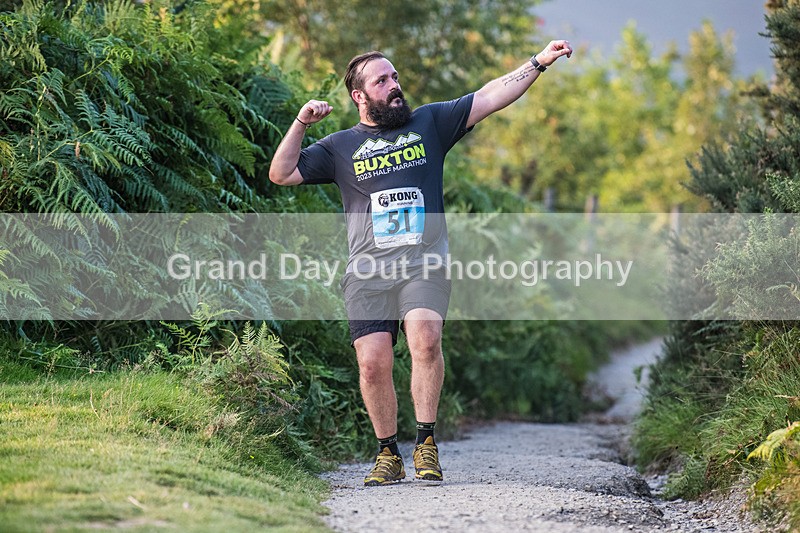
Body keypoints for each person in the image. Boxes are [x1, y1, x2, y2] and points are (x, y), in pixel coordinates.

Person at [269, 41, 573, 486]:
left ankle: (426, 443)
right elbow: (281, 173)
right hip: (368, 272)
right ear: (360, 96)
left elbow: (490, 95)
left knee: (426, 340)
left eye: (395, 77)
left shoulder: (429, 122)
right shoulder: (339, 147)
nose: (395, 87)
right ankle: (387, 452)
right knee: (373, 364)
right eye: (382, 81)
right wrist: (300, 122)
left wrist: (537, 63)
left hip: (423, 263)